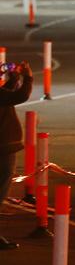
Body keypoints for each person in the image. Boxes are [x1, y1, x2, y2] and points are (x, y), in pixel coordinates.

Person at [0, 61, 33, 250]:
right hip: (3, 149)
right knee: (1, 191)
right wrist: (27, 77)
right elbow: (20, 96)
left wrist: (13, 77)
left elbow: (7, 94)